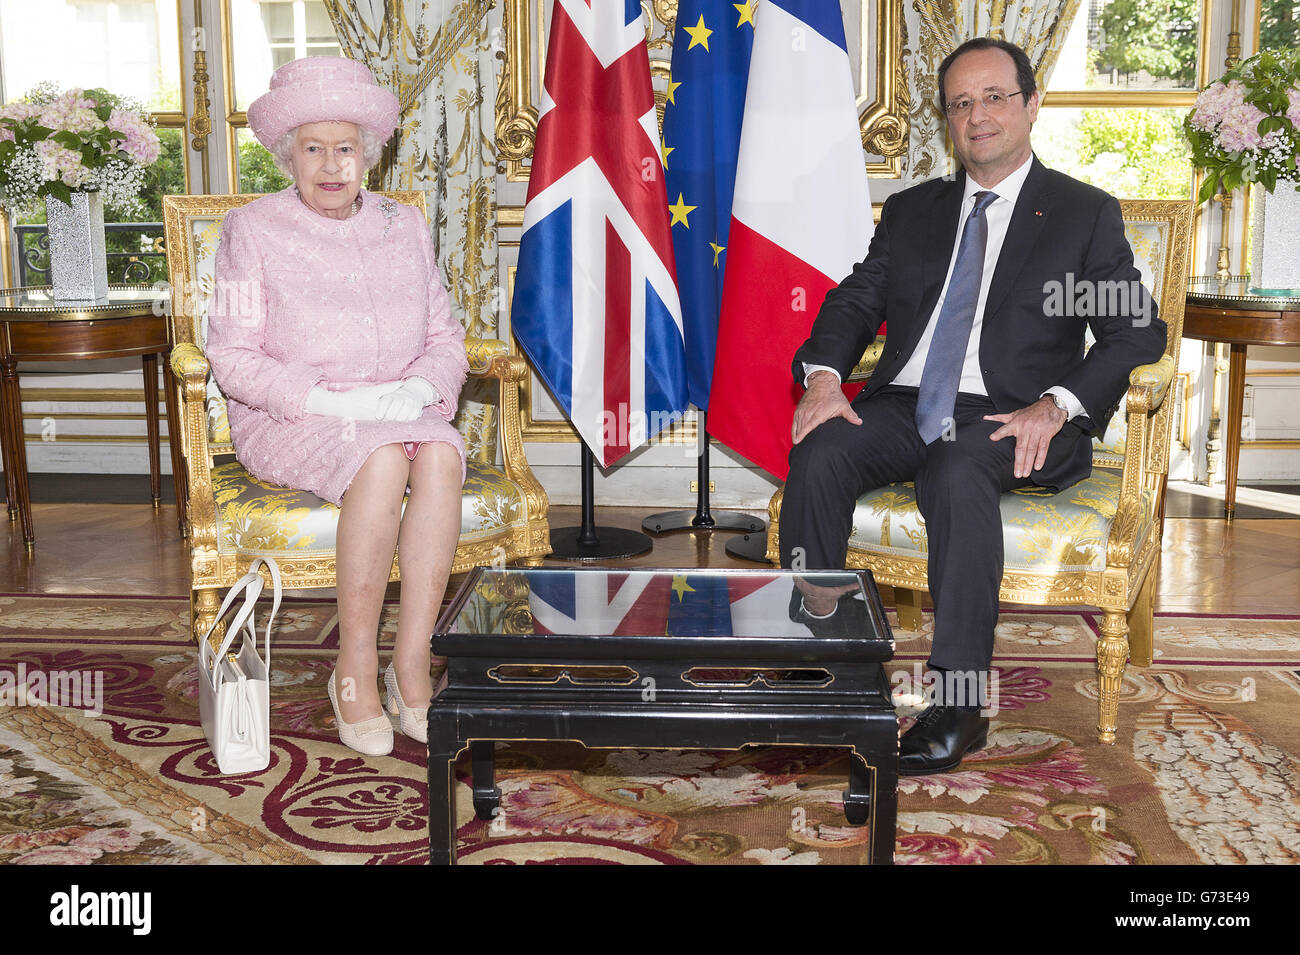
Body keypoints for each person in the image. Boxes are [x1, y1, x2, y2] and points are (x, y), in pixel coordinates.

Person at [780, 38, 1167, 775]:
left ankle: (958, 705)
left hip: (1012, 413)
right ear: (949, 120)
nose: (978, 115)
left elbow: (1138, 327)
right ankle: (819, 666)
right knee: (820, 450)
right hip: (904, 402)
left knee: (956, 469)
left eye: (994, 97)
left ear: (1029, 105)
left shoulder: (1082, 214)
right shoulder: (914, 210)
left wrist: (1058, 404)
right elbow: (857, 298)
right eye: (961, 103)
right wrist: (826, 375)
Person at [206, 57, 468, 757]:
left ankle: (410, 663)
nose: (330, 164)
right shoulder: (251, 230)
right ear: (286, 153)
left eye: (344, 147)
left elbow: (445, 335)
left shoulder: (402, 224)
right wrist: (328, 397)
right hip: (296, 416)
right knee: (382, 458)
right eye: (312, 148)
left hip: (396, 406)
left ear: (367, 154)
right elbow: (231, 357)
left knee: (441, 451)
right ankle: (352, 664)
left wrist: (418, 389)